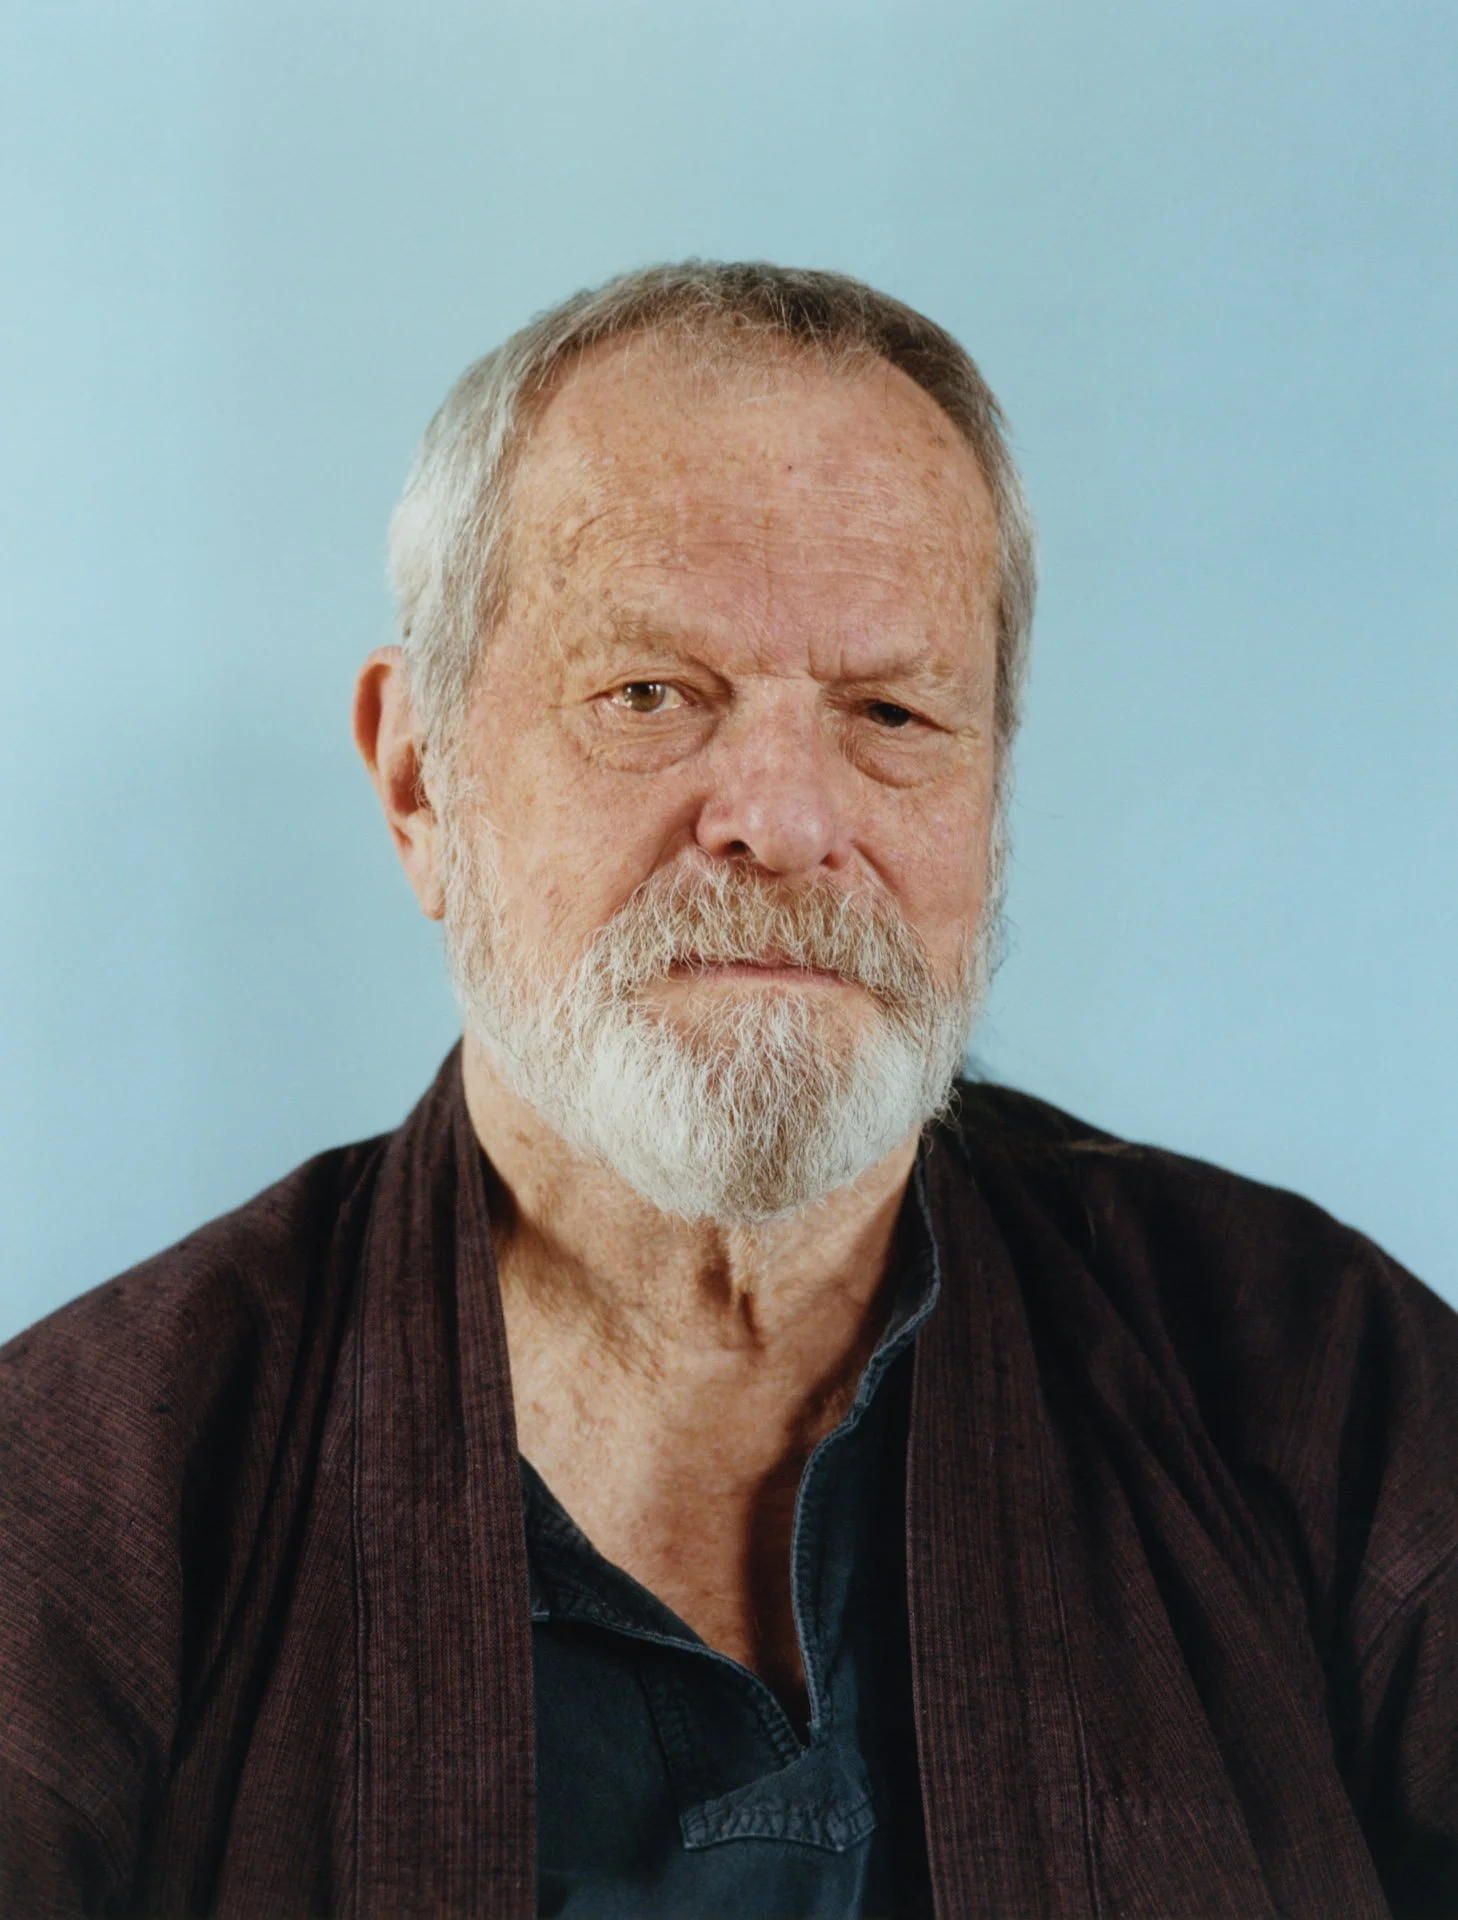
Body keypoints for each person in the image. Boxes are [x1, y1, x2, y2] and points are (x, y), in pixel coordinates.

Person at [1, 262, 1454, 1920]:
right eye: (648, 696)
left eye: (891, 712)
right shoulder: (85, 1499)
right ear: (418, 782)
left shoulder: (1318, 1381)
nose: (780, 816)